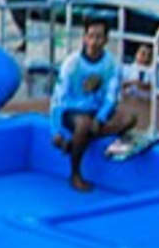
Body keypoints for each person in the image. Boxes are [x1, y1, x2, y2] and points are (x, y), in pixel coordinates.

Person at [49, 16, 135, 191]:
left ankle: (74, 144)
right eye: (91, 36)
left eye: (99, 37)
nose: (94, 42)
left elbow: (111, 96)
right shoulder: (71, 64)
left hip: (96, 110)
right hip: (72, 110)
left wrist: (101, 118)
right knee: (83, 124)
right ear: (84, 38)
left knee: (129, 119)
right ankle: (75, 173)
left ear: (106, 40)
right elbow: (58, 99)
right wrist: (55, 130)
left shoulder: (111, 64)